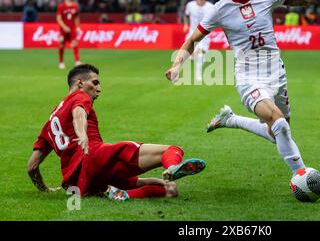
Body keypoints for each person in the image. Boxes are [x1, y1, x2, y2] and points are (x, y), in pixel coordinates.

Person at [165, 0, 320, 175]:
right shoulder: (220, 9)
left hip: (277, 72)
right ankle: (302, 177)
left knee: (277, 132)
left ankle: (231, 120)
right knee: (279, 124)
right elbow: (192, 40)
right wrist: (177, 64)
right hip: (249, 77)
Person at [28, 64, 206, 201]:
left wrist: (44, 189)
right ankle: (173, 166)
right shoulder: (79, 96)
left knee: (169, 190)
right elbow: (79, 113)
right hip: (96, 156)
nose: (99, 88)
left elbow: (32, 167)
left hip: (78, 183)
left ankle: (122, 194)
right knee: (172, 150)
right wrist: (82, 135)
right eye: (95, 83)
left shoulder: (49, 124)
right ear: (80, 83)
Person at [183, 0, 215, 83]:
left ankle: (197, 72)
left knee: (201, 54)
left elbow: (214, 18)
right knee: (197, 55)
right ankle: (198, 75)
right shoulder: (190, 5)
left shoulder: (210, 6)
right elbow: (186, 15)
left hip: (205, 34)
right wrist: (185, 25)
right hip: (192, 33)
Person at [56, 0, 81, 69]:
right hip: (63, 30)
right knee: (61, 45)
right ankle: (61, 62)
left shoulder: (75, 5)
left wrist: (78, 28)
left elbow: (76, 17)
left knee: (75, 44)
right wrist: (64, 27)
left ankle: (77, 61)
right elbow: (58, 18)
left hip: (72, 29)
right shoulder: (61, 6)